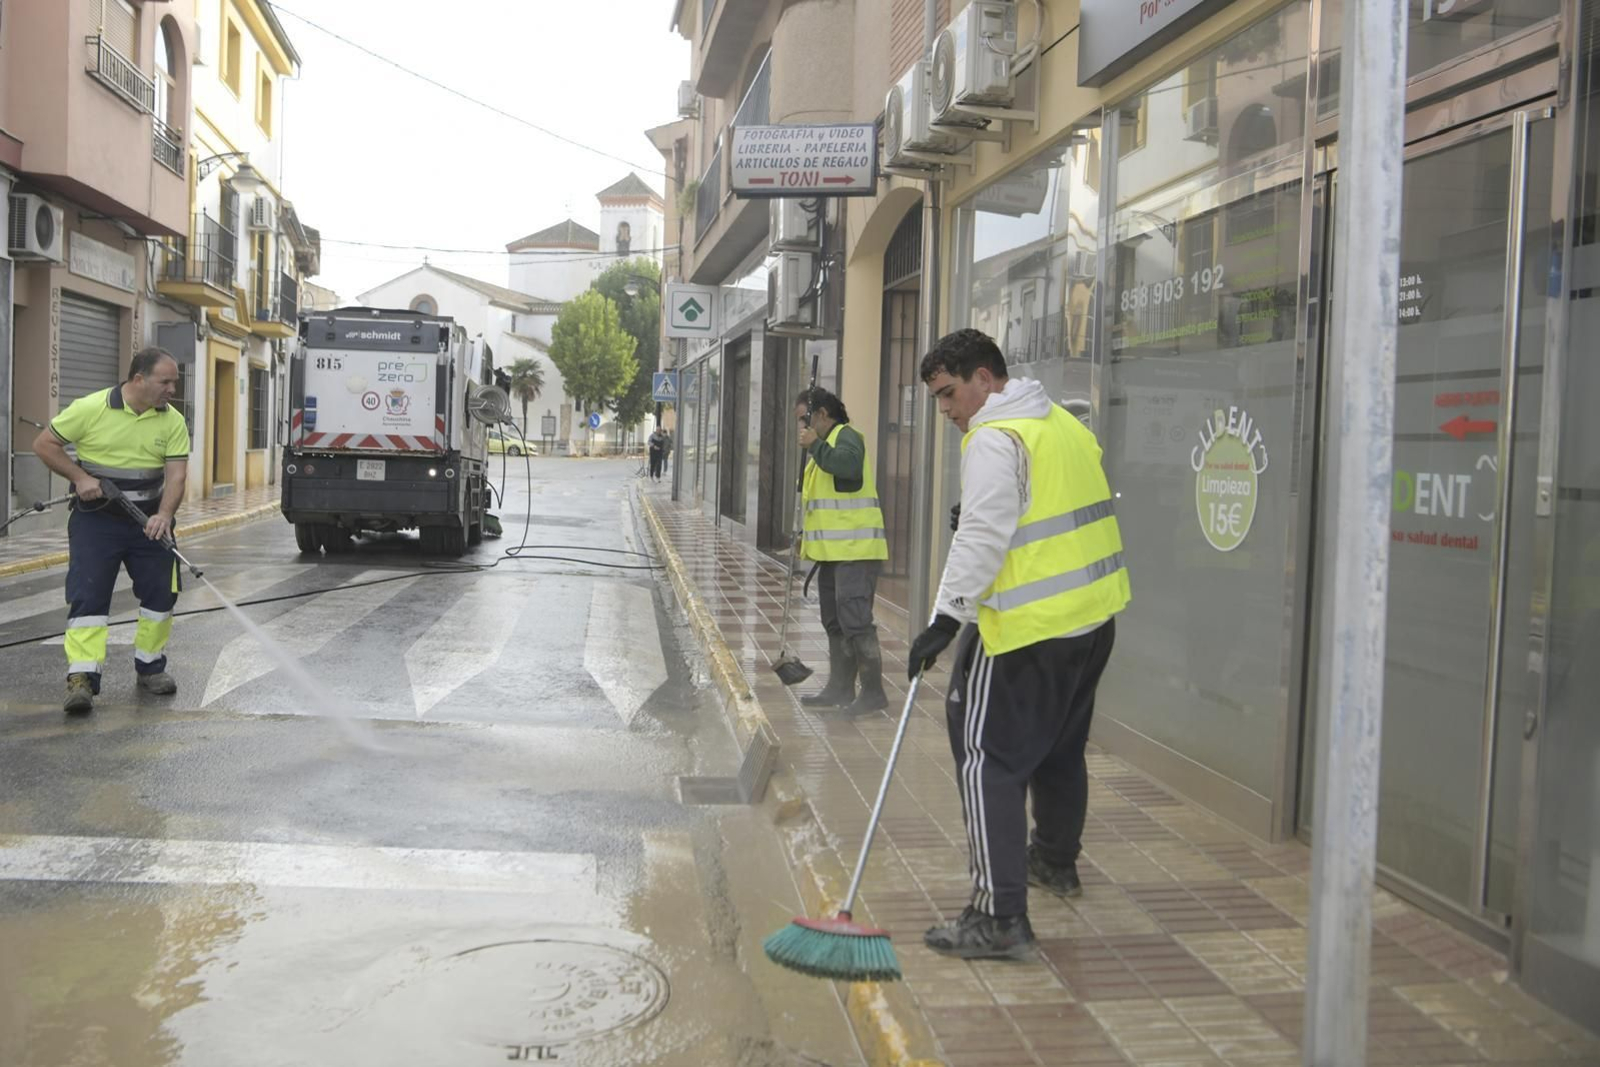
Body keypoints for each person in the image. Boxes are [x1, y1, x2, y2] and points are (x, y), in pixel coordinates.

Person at [907, 329, 1130, 960]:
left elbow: (981, 535)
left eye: (951, 394)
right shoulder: (1060, 423)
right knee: (1060, 750)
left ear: (985, 378)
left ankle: (997, 914)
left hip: (1025, 634)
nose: (947, 410)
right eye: (939, 399)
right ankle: (1055, 863)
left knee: (986, 759)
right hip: (1090, 622)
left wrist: (944, 621)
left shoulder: (993, 439)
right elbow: (1046, 510)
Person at [33, 348, 190, 714]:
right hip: (96, 521)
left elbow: (177, 475)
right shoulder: (90, 408)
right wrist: (80, 477)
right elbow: (44, 444)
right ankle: (82, 677)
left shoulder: (172, 421)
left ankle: (150, 667)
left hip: (148, 523)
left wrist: (164, 515)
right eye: (165, 382)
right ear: (138, 379)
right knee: (88, 598)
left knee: (161, 595)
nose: (172, 390)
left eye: (175, 383)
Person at [796, 386, 889, 716]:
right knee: (834, 621)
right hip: (833, 553)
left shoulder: (846, 437)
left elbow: (849, 467)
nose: (802, 430)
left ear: (822, 414)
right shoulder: (823, 447)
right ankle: (839, 687)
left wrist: (816, 446)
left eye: (805, 421)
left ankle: (873, 692)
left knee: (855, 620)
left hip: (856, 549)